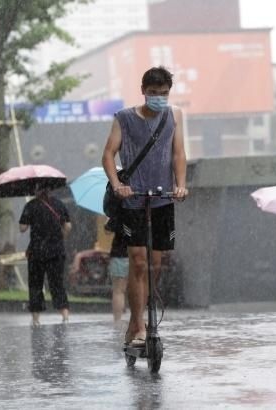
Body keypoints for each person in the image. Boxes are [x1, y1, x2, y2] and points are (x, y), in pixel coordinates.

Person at [102, 66, 188, 346]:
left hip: (163, 198)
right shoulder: (124, 118)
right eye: (153, 94)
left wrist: (181, 183)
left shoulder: (175, 116)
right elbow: (108, 154)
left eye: (163, 94)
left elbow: (178, 154)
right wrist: (117, 184)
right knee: (137, 261)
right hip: (133, 199)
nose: (158, 99)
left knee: (156, 263)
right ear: (143, 91)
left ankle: (145, 318)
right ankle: (137, 324)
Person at [19, 184, 72, 326]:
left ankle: (36, 318)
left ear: (36, 190)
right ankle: (65, 315)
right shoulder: (59, 204)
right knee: (57, 284)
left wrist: (31, 220)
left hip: (37, 252)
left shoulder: (31, 205)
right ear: (49, 189)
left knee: (35, 285)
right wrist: (61, 237)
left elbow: (22, 228)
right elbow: (68, 226)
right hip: (56, 251)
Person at [108, 227, 129, 323]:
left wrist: (108, 220)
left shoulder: (119, 212)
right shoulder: (143, 212)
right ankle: (138, 319)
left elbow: (107, 230)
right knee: (139, 288)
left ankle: (117, 321)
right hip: (140, 252)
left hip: (120, 253)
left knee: (118, 291)